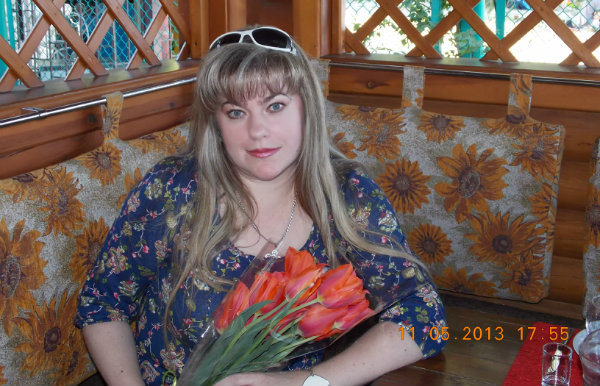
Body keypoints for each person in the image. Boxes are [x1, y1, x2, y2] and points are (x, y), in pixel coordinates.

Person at [75, 26, 447, 386]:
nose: (257, 131)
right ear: (216, 123)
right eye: (235, 112)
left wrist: (305, 382)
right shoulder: (173, 189)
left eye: (275, 105)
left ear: (307, 109)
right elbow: (103, 303)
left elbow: (424, 316)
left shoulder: (346, 195)